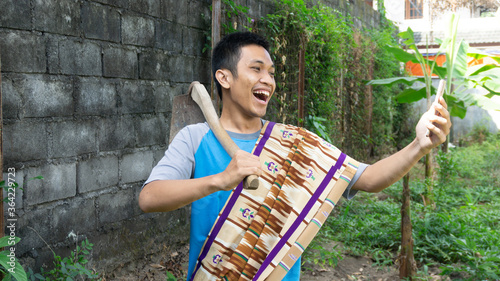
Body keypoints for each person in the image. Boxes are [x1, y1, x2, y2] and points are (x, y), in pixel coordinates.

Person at [139, 32, 451, 281]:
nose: (268, 81)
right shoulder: (195, 138)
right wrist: (219, 180)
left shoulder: (297, 144)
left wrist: (418, 145)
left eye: (271, 73)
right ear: (225, 78)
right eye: (256, 69)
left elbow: (368, 179)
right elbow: (150, 197)